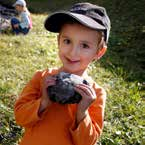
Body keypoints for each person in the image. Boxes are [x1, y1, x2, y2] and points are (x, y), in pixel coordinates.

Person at [14, 2, 111, 145]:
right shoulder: (42, 78)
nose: (73, 52)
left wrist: (82, 112)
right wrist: (43, 102)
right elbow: (20, 117)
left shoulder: (95, 94)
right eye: (67, 41)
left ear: (99, 52)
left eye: (84, 45)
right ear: (58, 41)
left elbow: (87, 142)